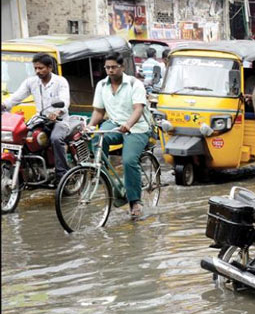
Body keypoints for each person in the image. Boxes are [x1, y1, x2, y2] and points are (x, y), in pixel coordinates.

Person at [88, 52, 151, 220]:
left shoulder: (134, 83)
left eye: (113, 67)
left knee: (129, 160)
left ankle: (135, 201)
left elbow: (138, 108)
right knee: (96, 140)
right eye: (107, 67)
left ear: (122, 67)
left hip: (136, 127)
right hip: (114, 124)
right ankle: (111, 183)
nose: (110, 70)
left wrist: (128, 124)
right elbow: (98, 112)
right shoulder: (101, 85)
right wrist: (89, 126)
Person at [1, 53, 71, 182]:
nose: (38, 71)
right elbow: (16, 97)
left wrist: (57, 112)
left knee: (56, 139)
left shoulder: (60, 81)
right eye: (35, 68)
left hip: (59, 120)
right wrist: (4, 105)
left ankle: (62, 175)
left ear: (50, 67)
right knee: (20, 136)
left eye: (41, 68)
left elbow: (64, 101)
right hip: (40, 119)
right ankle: (26, 170)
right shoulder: (31, 82)